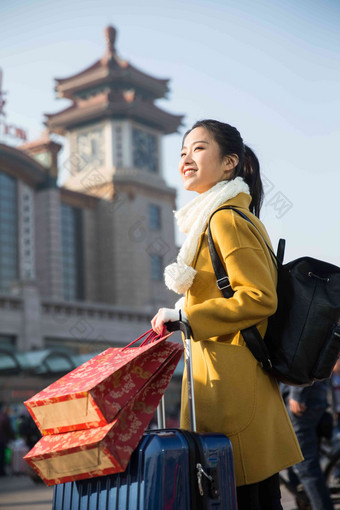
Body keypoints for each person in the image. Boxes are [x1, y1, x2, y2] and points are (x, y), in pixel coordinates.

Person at [151, 119, 303, 510]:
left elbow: (258, 298)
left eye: (199, 148)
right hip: (223, 384)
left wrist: (187, 318)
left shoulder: (225, 219)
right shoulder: (213, 218)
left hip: (233, 392)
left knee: (242, 498)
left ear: (229, 162)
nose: (186, 157)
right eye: (183, 151)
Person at [281, 382, 334, 510]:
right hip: (313, 397)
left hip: (302, 401)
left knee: (306, 466)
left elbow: (302, 363)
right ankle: (305, 499)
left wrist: (297, 394)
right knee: (298, 461)